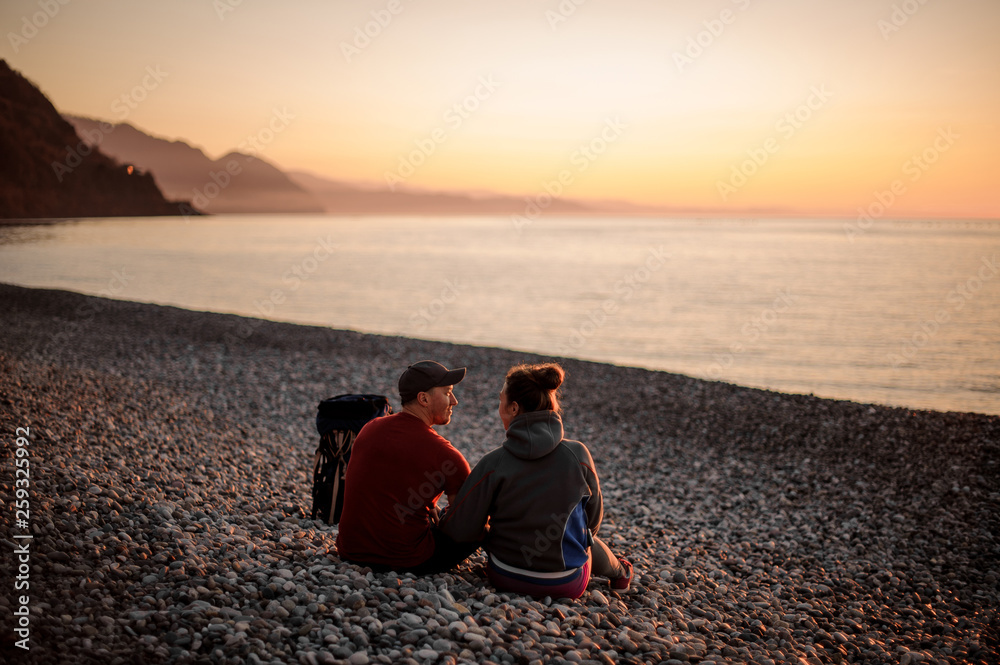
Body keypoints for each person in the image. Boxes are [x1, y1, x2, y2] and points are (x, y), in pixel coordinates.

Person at [439, 362, 632, 598]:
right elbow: (592, 522)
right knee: (586, 538)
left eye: (500, 401)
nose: (498, 408)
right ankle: (622, 573)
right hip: (566, 583)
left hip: (505, 575)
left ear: (514, 408)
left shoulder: (494, 463)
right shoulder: (578, 455)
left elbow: (462, 530)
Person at [335, 360, 479, 574]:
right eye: (448, 393)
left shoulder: (369, 428)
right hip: (409, 560)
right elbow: (467, 523)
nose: (455, 401)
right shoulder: (446, 456)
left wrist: (427, 507)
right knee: (481, 521)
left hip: (350, 551)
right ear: (423, 398)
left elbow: (387, 485)